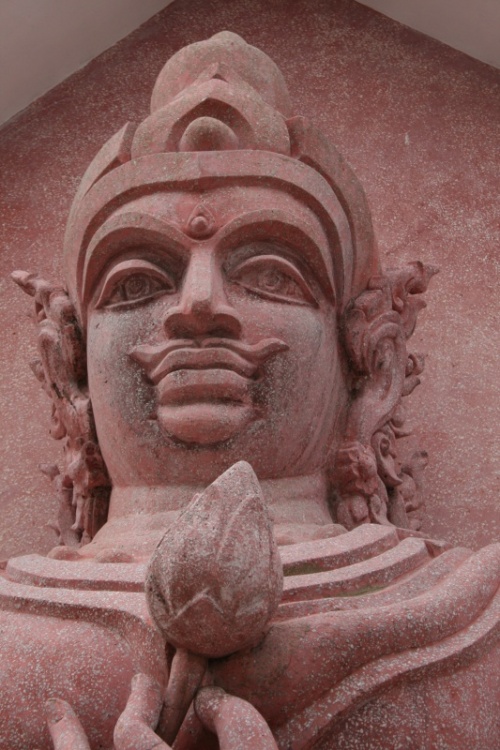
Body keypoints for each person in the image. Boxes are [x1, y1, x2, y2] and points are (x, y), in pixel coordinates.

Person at [6, 32, 499, 749]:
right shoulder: (17, 629)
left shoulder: (465, 622)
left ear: (372, 366)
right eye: (136, 281)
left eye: (270, 273)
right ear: (70, 371)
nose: (199, 305)